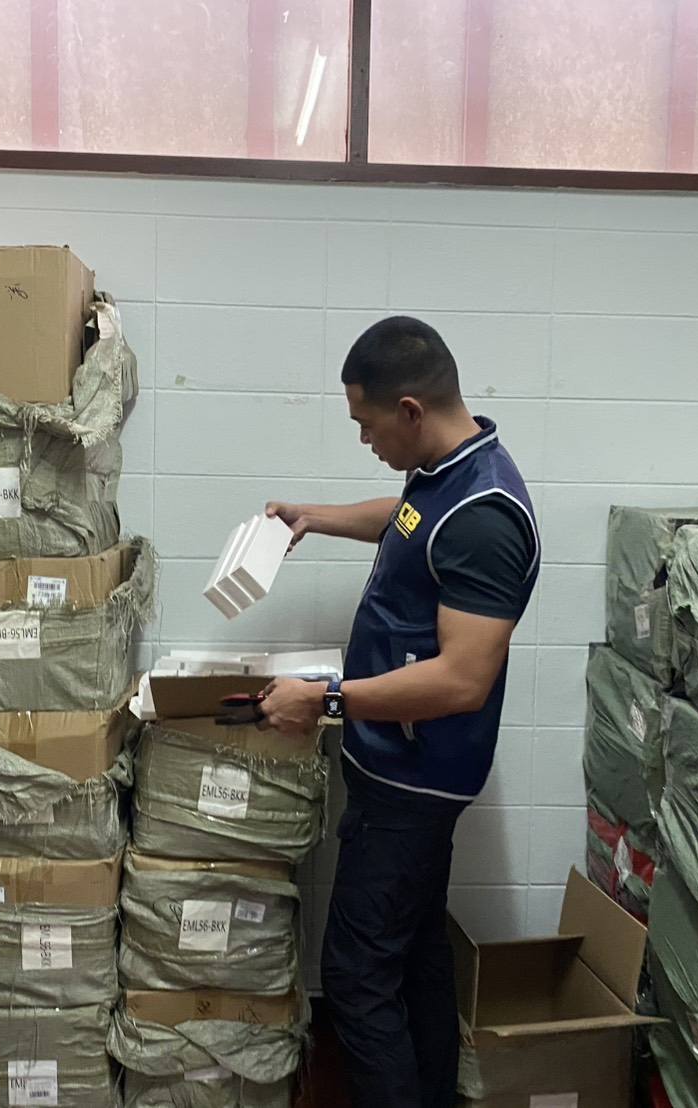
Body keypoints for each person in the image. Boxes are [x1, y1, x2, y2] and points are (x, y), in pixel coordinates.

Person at [260, 316, 540, 1107]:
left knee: (355, 975)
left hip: (413, 786)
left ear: (410, 410)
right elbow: (406, 523)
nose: (363, 439)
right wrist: (317, 517)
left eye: (367, 423)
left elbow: (461, 680)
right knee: (413, 952)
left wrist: (327, 700)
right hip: (394, 769)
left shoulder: (483, 516)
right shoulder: (447, 472)